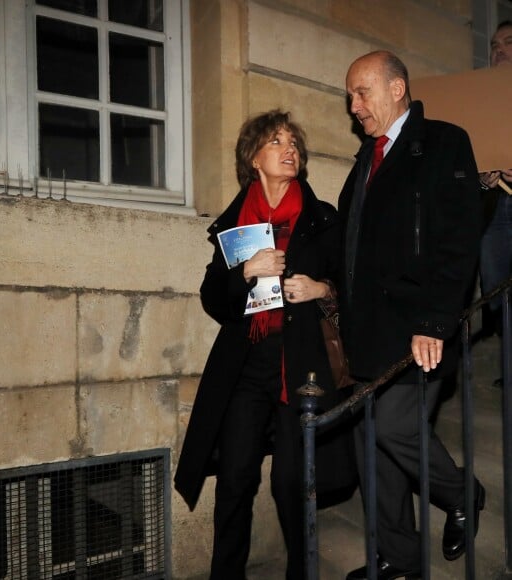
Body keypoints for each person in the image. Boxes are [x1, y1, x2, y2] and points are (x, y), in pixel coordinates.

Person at [174, 110, 356, 580]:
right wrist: (246, 272)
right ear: (254, 158)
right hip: (247, 364)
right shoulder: (233, 226)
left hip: (301, 364)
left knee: (291, 482)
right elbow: (213, 298)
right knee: (235, 479)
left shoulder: (323, 220)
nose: (289, 148)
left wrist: (322, 291)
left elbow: (350, 287)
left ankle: (302, 572)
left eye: (293, 141)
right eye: (277, 141)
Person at [338, 51, 485, 579]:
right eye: (351, 95)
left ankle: (463, 491)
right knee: (371, 450)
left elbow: (459, 240)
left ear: (397, 88)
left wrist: (437, 320)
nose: (354, 106)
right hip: (367, 336)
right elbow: (354, 249)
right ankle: (398, 560)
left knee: (397, 428)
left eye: (362, 92)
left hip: (418, 329)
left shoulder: (445, 142)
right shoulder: (364, 162)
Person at [478, 20, 512, 386]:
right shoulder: (484, 102)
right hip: (494, 208)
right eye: (493, 44)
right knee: (495, 290)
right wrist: (483, 175)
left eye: (508, 42)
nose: (498, 49)